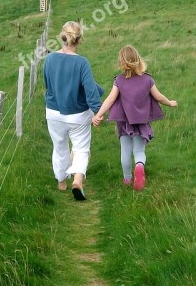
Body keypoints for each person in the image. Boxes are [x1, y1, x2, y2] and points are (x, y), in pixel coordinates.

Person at [92, 45, 177, 191]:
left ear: (121, 62)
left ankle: (127, 179)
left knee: (125, 150)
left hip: (124, 123)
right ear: (138, 60)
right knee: (139, 151)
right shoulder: (148, 80)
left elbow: (110, 100)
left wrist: (98, 115)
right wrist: (170, 102)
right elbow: (158, 97)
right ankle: (139, 166)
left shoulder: (118, 80)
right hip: (142, 122)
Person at [43, 21, 104, 201]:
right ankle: (77, 180)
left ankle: (61, 182)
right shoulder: (82, 63)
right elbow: (90, 91)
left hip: (53, 112)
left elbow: (48, 85)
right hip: (78, 114)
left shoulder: (49, 59)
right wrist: (98, 112)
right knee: (81, 148)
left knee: (60, 147)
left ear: (63, 36)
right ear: (79, 40)